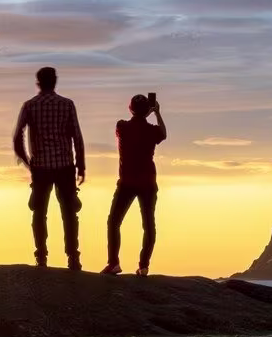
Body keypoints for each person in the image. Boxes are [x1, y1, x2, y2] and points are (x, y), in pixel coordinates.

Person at [12, 66, 87, 269]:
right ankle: (73, 257)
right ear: (55, 82)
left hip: (41, 168)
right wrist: (81, 165)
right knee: (69, 213)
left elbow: (17, 136)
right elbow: (77, 136)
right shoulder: (67, 104)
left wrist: (28, 161)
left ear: (39, 83)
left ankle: (41, 257)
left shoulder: (30, 106)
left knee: (39, 212)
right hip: (64, 166)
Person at [102, 93, 166, 276]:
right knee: (148, 225)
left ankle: (113, 263)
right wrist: (157, 113)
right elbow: (164, 134)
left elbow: (136, 125)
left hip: (127, 182)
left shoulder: (121, 127)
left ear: (130, 109)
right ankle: (144, 266)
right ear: (148, 110)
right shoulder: (152, 131)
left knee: (114, 222)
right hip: (147, 182)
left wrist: (145, 113)